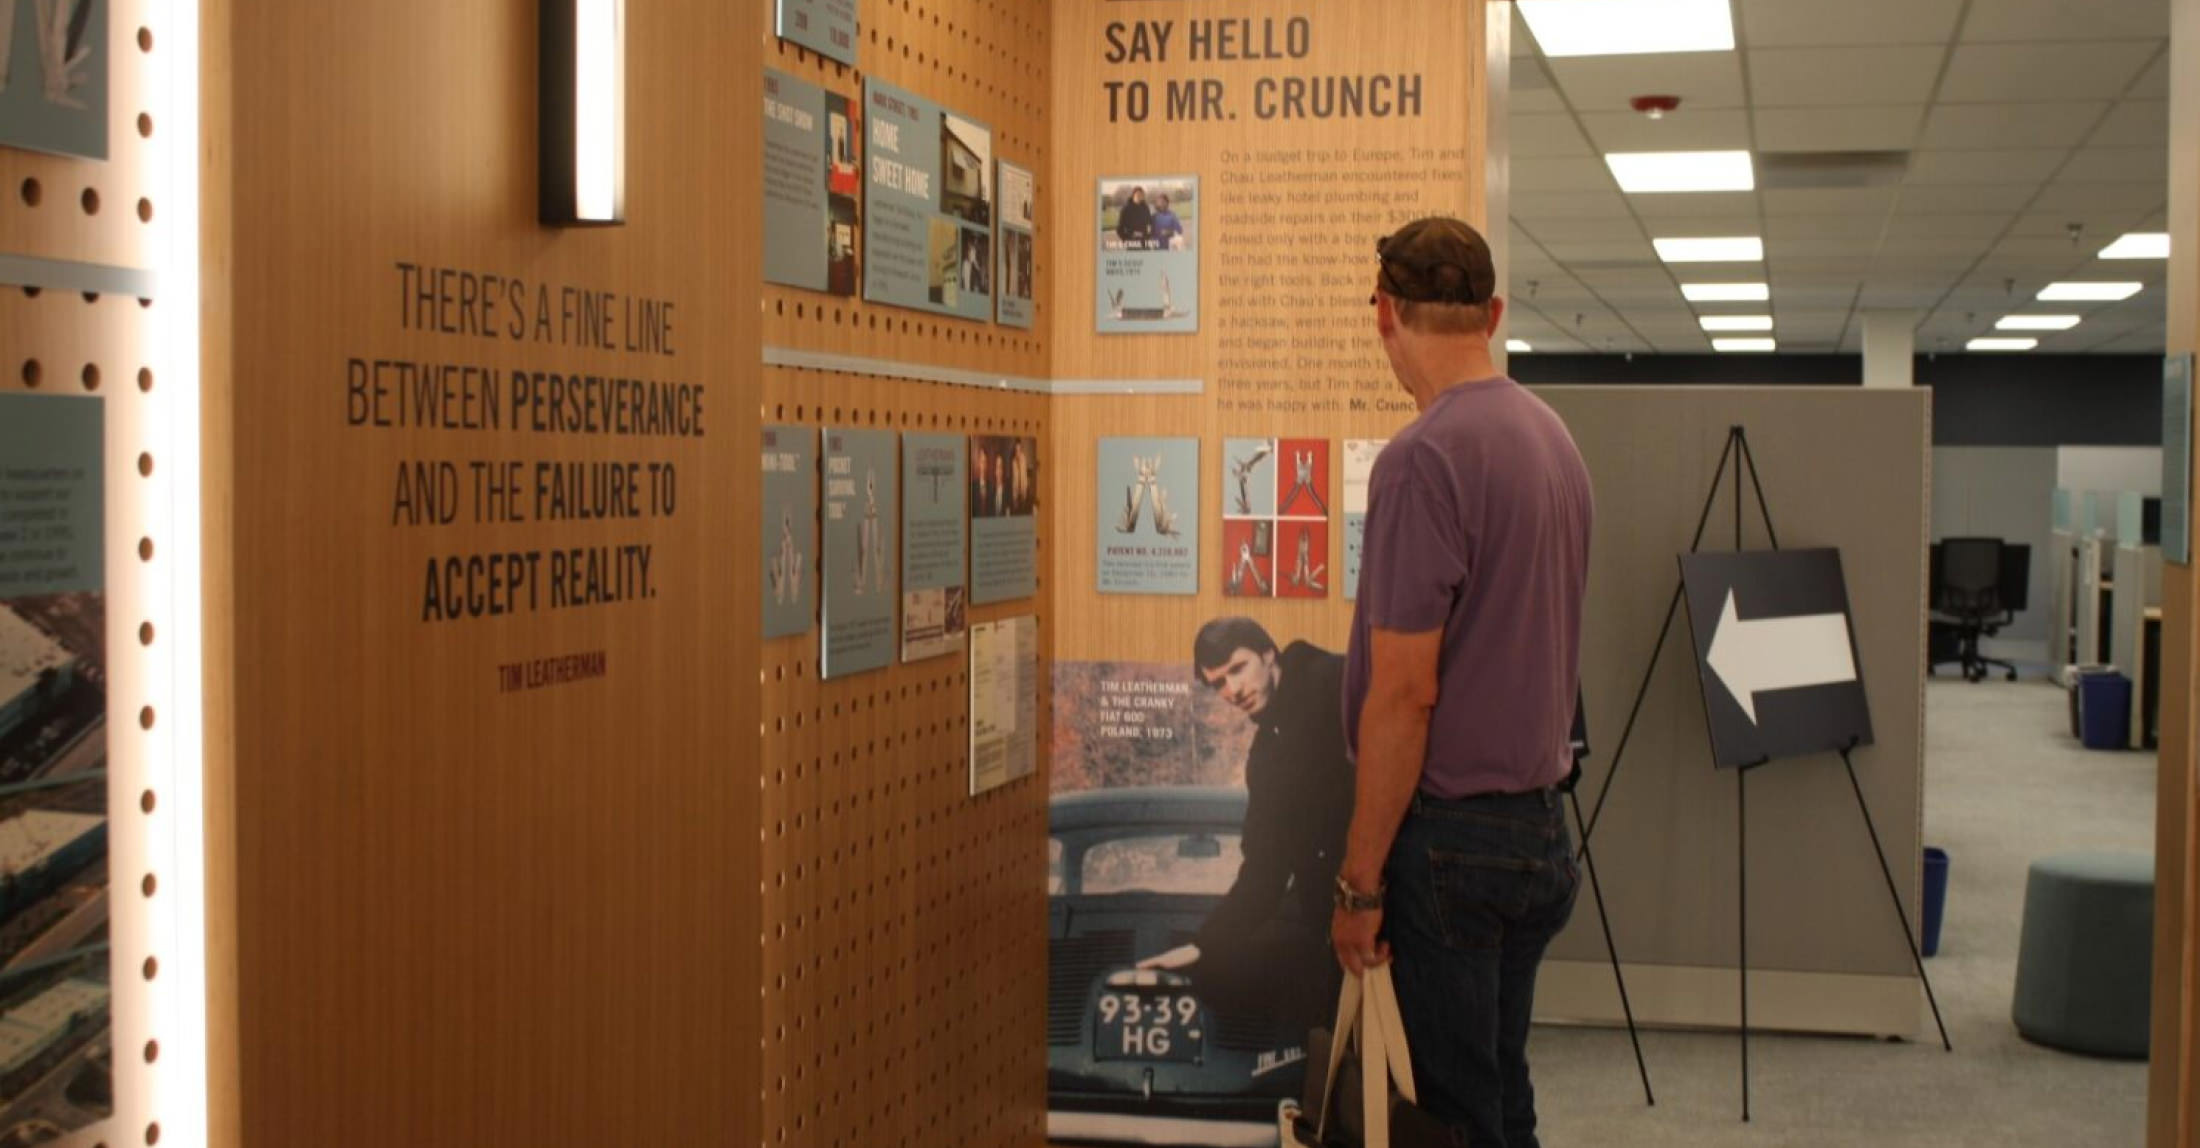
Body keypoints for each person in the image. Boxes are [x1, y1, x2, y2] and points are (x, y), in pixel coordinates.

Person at [1332, 216, 1594, 1148]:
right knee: (1497, 1091)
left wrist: (1360, 888)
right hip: (1537, 828)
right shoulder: (1554, 442)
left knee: (1445, 1114)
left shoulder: (1422, 459)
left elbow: (1405, 694)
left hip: (1449, 843)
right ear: (1491, 312)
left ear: (1384, 315)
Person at [1138, 618, 1355, 1035]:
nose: (1232, 691)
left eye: (1237, 669)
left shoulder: (1336, 680)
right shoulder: (1266, 758)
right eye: (1218, 683)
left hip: (1395, 899)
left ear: (1268, 654)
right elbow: (1264, 870)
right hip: (1331, 921)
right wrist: (1205, 946)